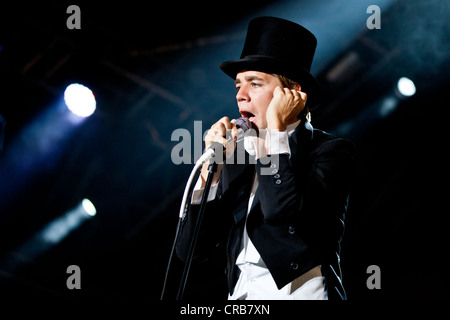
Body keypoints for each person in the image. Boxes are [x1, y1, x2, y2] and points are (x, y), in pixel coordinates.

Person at [176, 16, 358, 300]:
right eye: (238, 86)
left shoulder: (331, 152)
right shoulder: (237, 157)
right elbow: (190, 251)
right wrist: (210, 172)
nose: (241, 95)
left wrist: (275, 130)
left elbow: (279, 210)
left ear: (292, 93)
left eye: (255, 83)